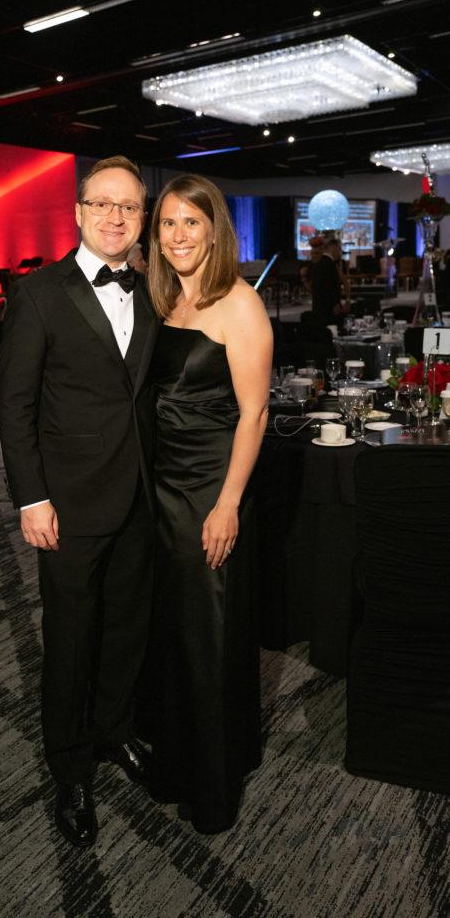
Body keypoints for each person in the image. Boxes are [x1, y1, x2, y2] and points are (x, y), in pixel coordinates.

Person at [0, 155, 159, 848]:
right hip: (67, 502)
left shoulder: (155, 288)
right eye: (103, 204)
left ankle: (114, 732)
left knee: (127, 628)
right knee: (69, 640)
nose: (115, 217)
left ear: (142, 216)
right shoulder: (38, 293)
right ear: (79, 212)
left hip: (142, 495)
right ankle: (70, 768)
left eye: (129, 206)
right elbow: (15, 406)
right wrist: (31, 497)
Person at [142, 173, 273, 833]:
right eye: (167, 222)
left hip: (208, 490)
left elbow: (254, 415)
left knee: (209, 636)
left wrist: (228, 505)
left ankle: (213, 784)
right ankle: (175, 762)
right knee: (171, 633)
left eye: (190, 221)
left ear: (215, 229)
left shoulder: (239, 303)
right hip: (160, 488)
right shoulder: (164, 298)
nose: (178, 235)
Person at [311, 236, 350, 324]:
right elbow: (330, 287)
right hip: (328, 310)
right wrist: (335, 303)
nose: (339, 253)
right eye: (339, 250)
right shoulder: (330, 264)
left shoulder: (319, 263)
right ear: (334, 248)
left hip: (319, 308)